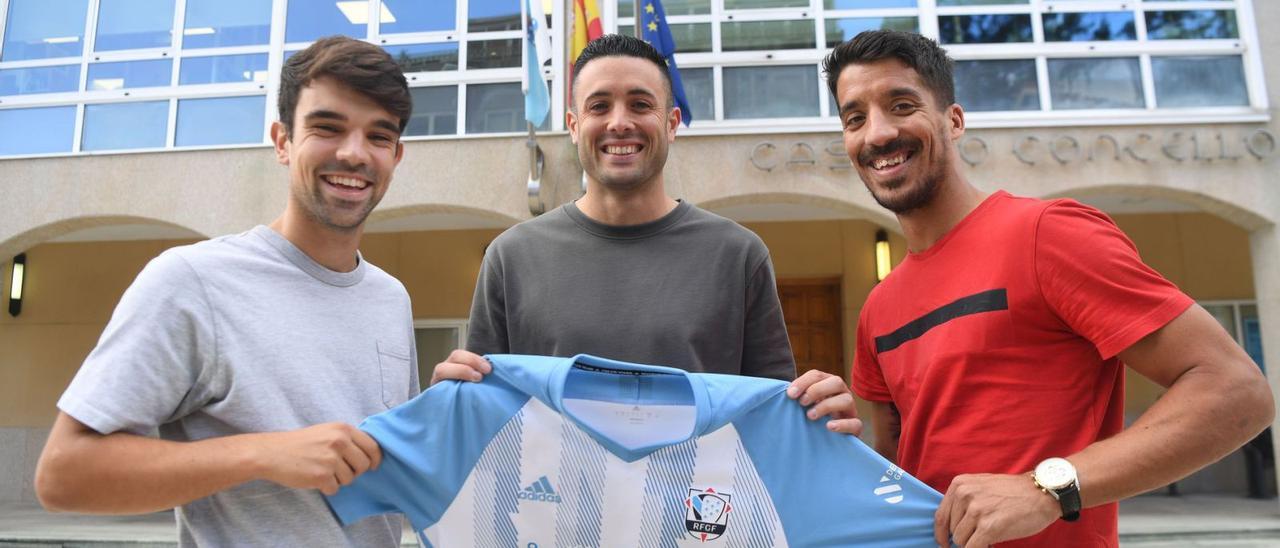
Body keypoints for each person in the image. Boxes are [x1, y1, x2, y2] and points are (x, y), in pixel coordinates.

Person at [823, 30, 1275, 547]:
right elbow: (896, 476)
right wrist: (831, 439)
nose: (877, 134)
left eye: (901, 105)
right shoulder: (878, 308)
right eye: (854, 118)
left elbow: (1237, 392)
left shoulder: (1048, 236)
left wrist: (1046, 489)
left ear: (954, 120)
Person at [34, 36, 418, 547]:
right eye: (327, 128)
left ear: (396, 155)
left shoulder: (391, 298)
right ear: (282, 141)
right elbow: (63, 475)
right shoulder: (192, 281)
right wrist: (262, 454)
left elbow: (392, 479)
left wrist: (456, 407)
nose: (353, 153)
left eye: (378, 136)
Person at [432, 34, 859, 431]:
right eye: (599, 107)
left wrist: (818, 415)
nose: (619, 123)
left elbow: (771, 417)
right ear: (574, 125)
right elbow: (484, 413)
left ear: (672, 123)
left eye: (640, 105)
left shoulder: (737, 254)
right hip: (554, 509)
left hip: (695, 510)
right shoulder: (511, 257)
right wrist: (448, 404)